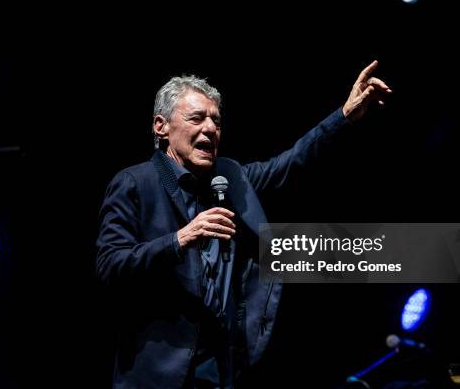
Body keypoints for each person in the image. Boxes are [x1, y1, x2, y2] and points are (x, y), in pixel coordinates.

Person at [96, 61, 392, 388]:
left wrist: (345, 114)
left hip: (220, 369)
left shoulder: (231, 177)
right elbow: (110, 265)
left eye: (216, 121)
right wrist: (180, 238)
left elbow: (291, 162)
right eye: (197, 118)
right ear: (161, 126)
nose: (210, 128)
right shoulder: (135, 184)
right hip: (156, 373)